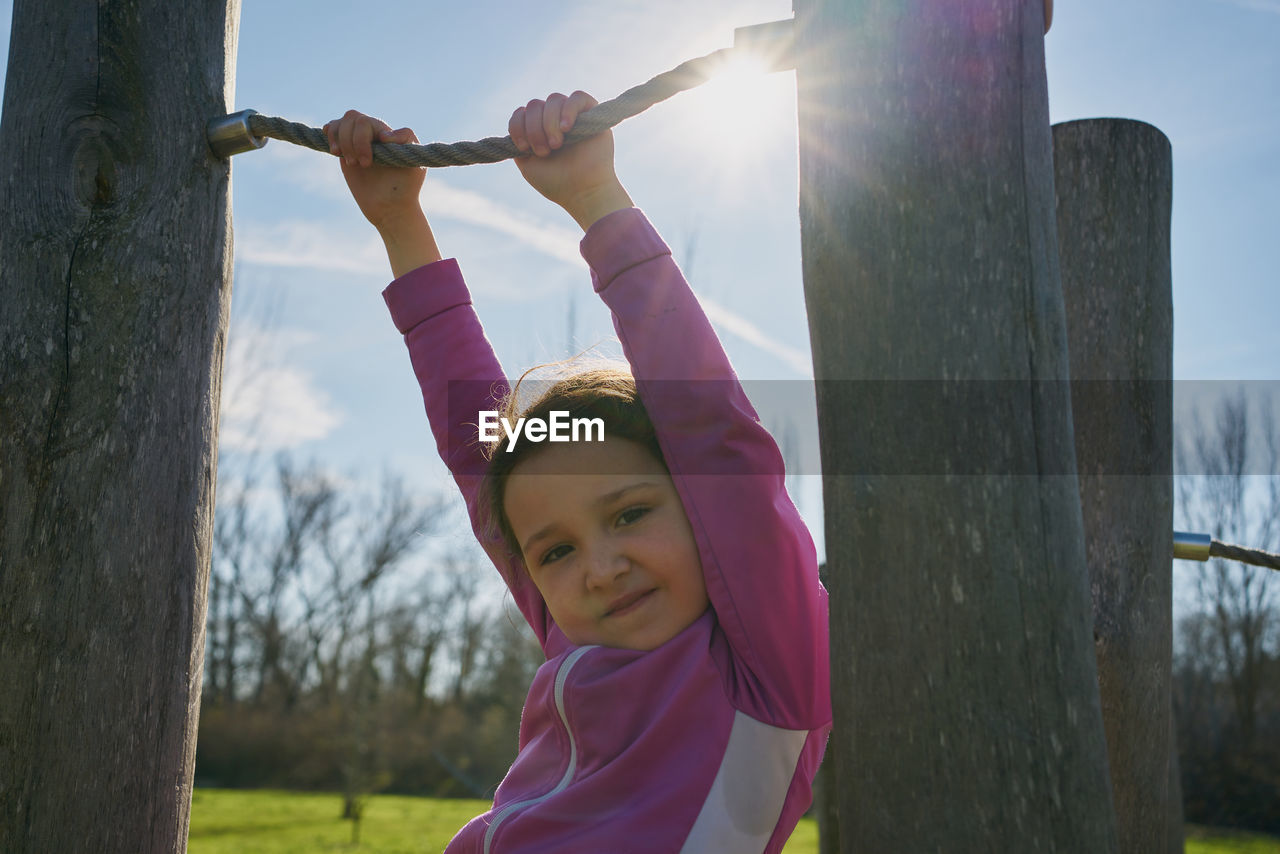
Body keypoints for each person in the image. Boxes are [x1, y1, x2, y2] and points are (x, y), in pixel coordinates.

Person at [325, 90, 830, 854]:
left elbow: (717, 437)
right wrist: (401, 223)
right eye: (554, 551)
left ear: (701, 510)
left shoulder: (765, 668)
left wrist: (598, 199)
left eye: (630, 513)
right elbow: (477, 451)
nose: (597, 567)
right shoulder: (578, 633)